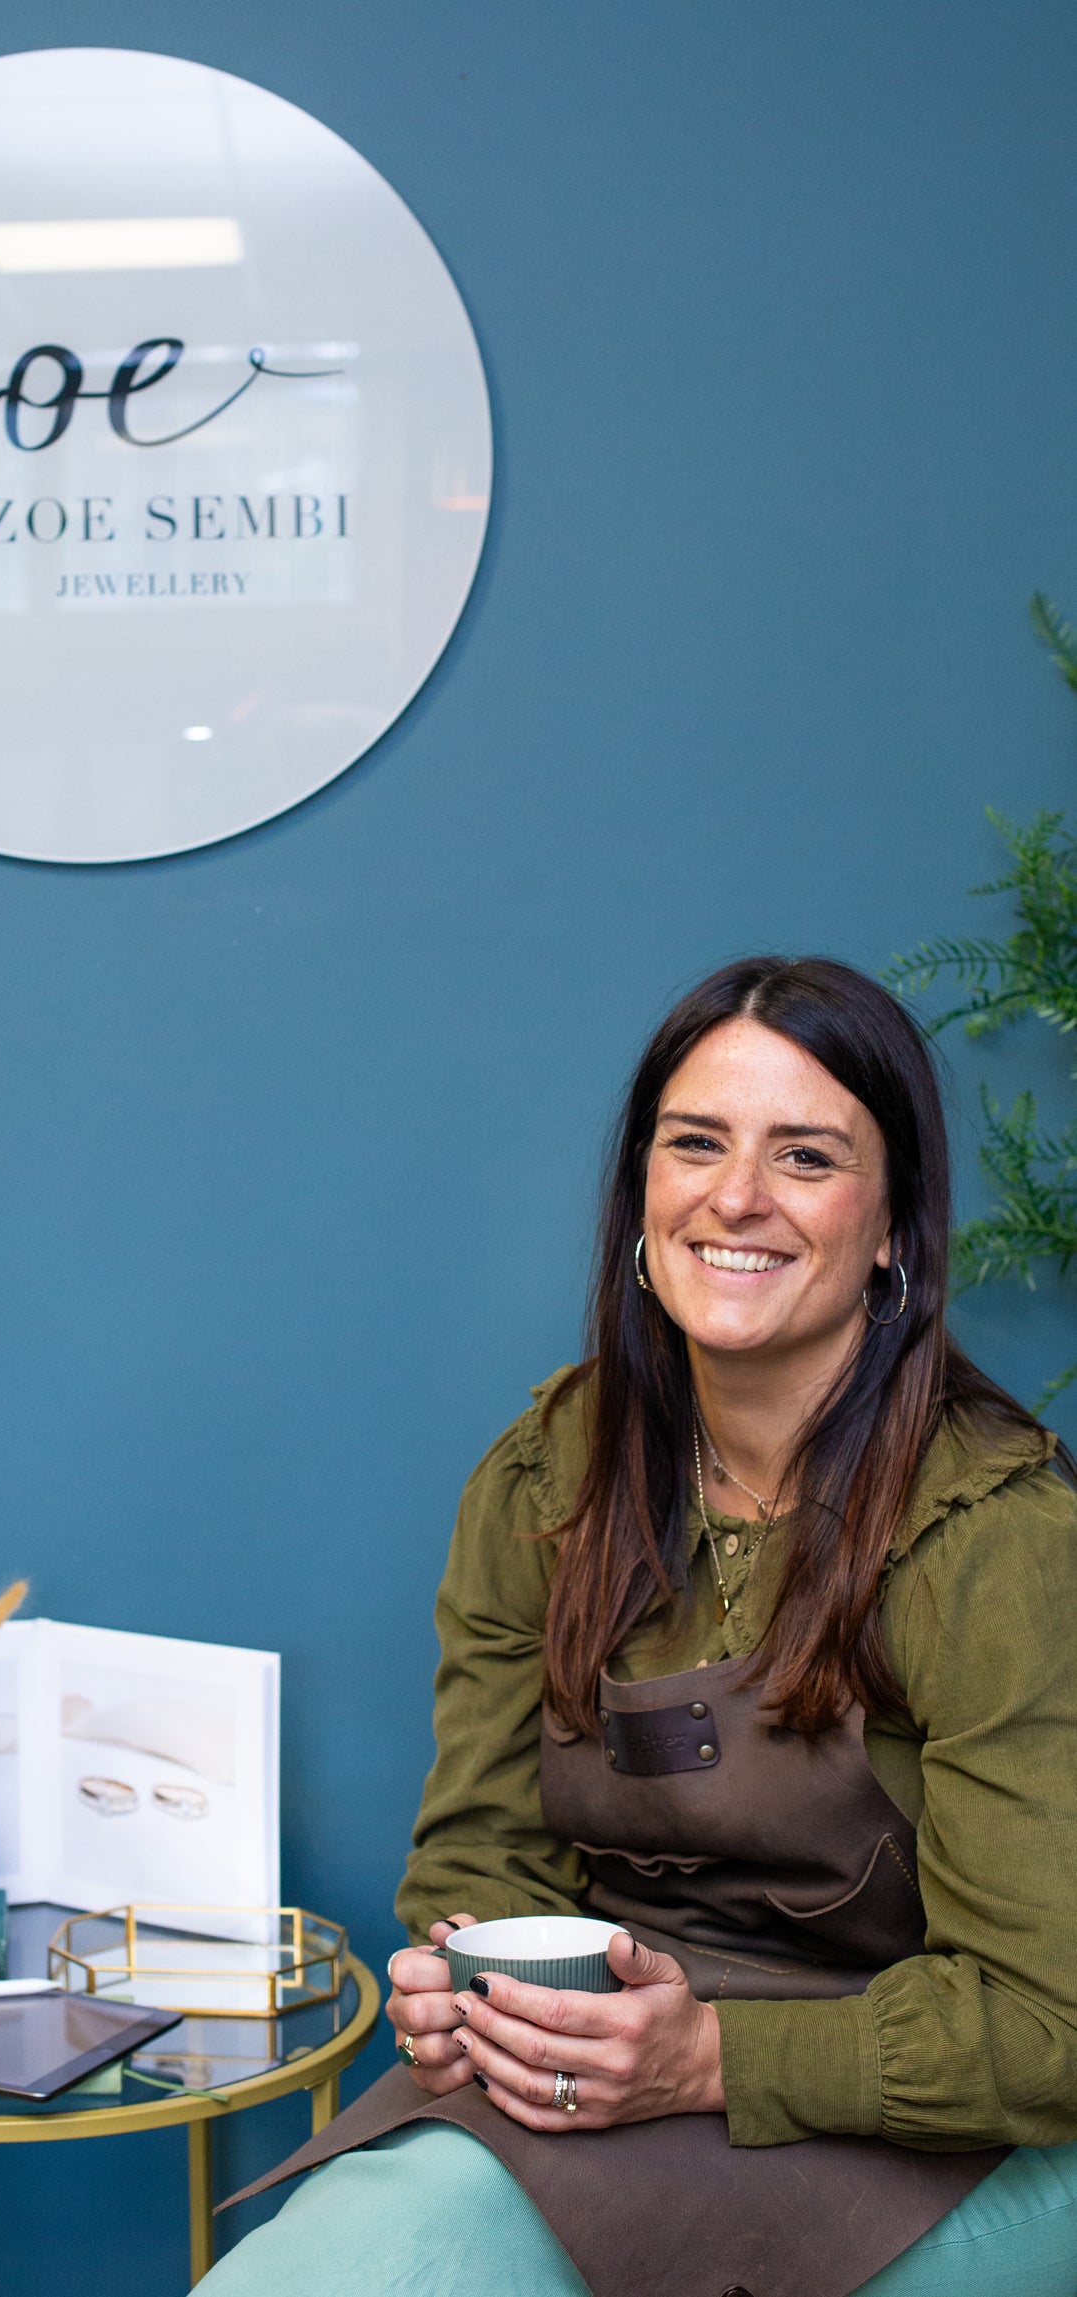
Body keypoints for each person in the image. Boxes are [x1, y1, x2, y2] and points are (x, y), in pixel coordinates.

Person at [203, 956, 1077, 2297]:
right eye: (697, 1143)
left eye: (806, 1154)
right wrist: (469, 1985)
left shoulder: (996, 1535)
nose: (738, 1195)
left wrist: (711, 2057)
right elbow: (481, 1858)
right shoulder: (546, 1476)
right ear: (641, 1198)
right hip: (608, 2095)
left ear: (894, 1224)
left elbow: (1048, 2022)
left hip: (944, 2132)